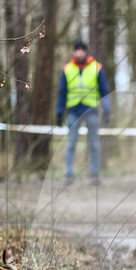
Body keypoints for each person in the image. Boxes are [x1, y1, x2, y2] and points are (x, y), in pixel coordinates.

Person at [56, 39, 111, 185]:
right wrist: (59, 111)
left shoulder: (96, 67)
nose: (79, 52)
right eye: (76, 49)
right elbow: (62, 92)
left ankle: (94, 174)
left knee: (94, 144)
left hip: (91, 110)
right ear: (74, 51)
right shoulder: (67, 69)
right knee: (71, 144)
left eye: (81, 49)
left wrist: (107, 109)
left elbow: (104, 90)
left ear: (85, 51)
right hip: (73, 111)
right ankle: (69, 174)